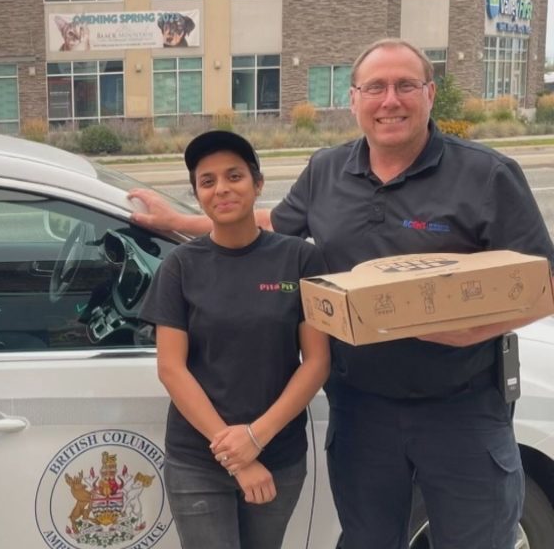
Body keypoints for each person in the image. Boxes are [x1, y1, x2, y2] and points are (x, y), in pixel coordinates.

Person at [130, 38, 554, 549]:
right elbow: (265, 225)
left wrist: (472, 332)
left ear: (431, 94)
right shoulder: (327, 170)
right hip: (362, 410)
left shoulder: (487, 175)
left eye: (405, 86)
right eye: (374, 87)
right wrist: (179, 221)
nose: (389, 100)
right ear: (354, 99)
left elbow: (544, 287)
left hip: (461, 407)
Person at [138, 131, 330, 549]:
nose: (221, 189)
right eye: (207, 182)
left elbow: (316, 361)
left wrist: (257, 438)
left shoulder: (299, 258)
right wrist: (235, 454)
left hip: (278, 455)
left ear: (258, 184)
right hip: (198, 459)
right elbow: (171, 368)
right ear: (197, 194)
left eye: (234, 176)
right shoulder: (180, 267)